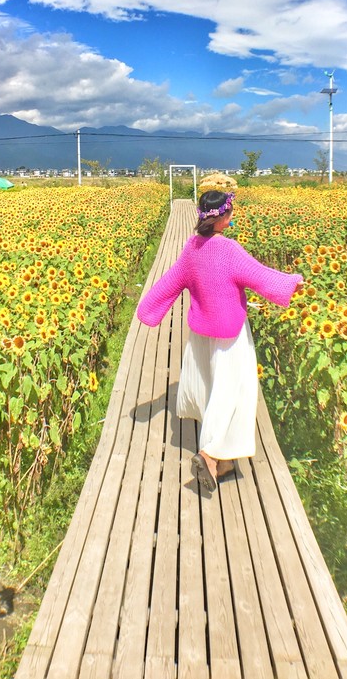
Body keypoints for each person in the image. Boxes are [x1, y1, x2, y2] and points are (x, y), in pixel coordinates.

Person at [136, 190, 304, 492]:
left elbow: (170, 281)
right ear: (224, 218)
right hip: (230, 337)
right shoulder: (229, 250)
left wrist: (148, 308)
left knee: (211, 388)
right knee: (234, 392)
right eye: (231, 212)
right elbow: (261, 277)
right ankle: (210, 453)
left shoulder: (192, 248)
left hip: (201, 334)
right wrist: (293, 282)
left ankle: (224, 461)